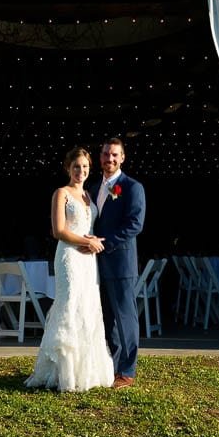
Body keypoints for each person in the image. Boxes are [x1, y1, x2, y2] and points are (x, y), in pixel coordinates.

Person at [24, 147, 116, 392]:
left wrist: (92, 240)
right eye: (77, 167)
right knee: (69, 304)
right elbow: (59, 231)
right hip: (69, 258)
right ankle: (60, 371)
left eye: (85, 167)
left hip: (88, 261)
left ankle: (85, 371)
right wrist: (87, 242)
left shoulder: (88, 195)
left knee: (88, 307)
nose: (81, 171)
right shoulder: (61, 193)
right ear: (68, 168)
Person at [91, 136, 145, 388]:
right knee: (108, 319)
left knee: (126, 318)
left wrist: (104, 242)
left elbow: (135, 224)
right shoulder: (92, 188)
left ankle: (127, 370)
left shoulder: (132, 187)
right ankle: (111, 366)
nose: (109, 159)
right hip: (95, 267)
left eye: (114, 155)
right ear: (99, 157)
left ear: (122, 158)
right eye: (105, 154)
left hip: (120, 262)